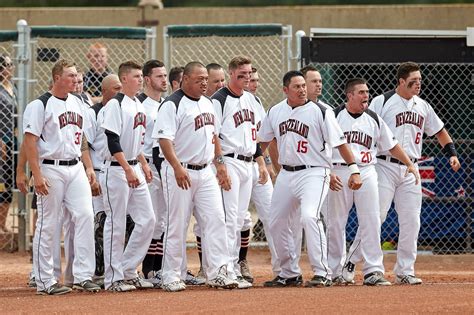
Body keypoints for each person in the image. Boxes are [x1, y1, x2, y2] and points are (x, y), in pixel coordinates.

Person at [343, 62, 461, 285]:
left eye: (420, 80)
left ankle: (405, 270)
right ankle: (351, 260)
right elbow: (362, 123)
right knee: (376, 217)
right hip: (384, 165)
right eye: (413, 81)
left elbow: (439, 131)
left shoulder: (423, 106)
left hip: (411, 167)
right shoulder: (382, 101)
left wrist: (452, 153)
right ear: (401, 81)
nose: (418, 84)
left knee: (411, 220)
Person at [258, 70, 362, 288]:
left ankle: (322, 272)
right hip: (287, 173)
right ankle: (289, 273)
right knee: (275, 220)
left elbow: (340, 143)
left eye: (304, 85)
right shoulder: (275, 111)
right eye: (297, 86)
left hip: (315, 172)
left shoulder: (321, 111)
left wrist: (354, 168)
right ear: (285, 90)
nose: (302, 89)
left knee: (308, 216)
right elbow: (264, 141)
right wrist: (258, 161)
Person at [153, 61, 238, 292]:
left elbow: (214, 137)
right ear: (186, 80)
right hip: (180, 170)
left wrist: (220, 164)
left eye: (205, 79)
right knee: (177, 224)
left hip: (206, 170)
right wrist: (177, 167)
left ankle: (218, 272)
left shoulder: (209, 104)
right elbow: (164, 140)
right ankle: (171, 275)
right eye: (199, 79)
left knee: (216, 220)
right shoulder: (172, 104)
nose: (204, 83)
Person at [327, 78, 419, 286]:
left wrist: (409, 164)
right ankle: (335, 271)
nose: (366, 96)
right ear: (349, 95)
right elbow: (322, 146)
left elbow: (392, 144)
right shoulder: (333, 116)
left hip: (367, 171)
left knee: (371, 221)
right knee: (336, 223)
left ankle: (373, 270)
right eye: (361, 92)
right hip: (339, 170)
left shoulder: (373, 118)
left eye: (367, 92)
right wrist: (328, 172)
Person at [22, 59, 100, 295]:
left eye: (76, 75)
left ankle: (83, 275)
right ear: (57, 78)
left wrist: (88, 167)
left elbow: (82, 139)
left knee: (86, 215)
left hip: (75, 166)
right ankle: (45, 279)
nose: (75, 79)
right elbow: (29, 141)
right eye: (70, 75)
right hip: (50, 167)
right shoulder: (40, 104)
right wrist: (36, 175)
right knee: (49, 223)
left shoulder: (77, 102)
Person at [211, 56, 268, 289]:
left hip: (248, 164)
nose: (245, 78)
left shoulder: (252, 100)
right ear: (231, 73)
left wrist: (261, 162)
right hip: (230, 161)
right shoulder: (219, 99)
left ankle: (233, 268)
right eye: (241, 74)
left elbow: (255, 136)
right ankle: (223, 269)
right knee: (229, 218)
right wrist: (220, 164)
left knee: (239, 218)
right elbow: (213, 136)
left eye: (248, 74)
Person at [98, 61, 155, 292]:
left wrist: (141, 163)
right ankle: (113, 278)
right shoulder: (115, 104)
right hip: (115, 169)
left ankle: (129, 269)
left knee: (148, 219)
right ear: (123, 80)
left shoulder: (138, 105)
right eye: (136, 76)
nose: (141, 79)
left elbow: (135, 142)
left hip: (133, 167)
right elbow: (113, 140)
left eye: (142, 76)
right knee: (117, 222)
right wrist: (128, 168)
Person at [238, 66, 278, 283]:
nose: (254, 83)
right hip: (237, 164)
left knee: (272, 214)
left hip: (257, 164)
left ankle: (282, 270)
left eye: (256, 80)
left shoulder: (257, 102)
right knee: (239, 218)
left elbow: (263, 137)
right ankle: (236, 264)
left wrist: (266, 162)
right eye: (250, 79)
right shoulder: (228, 100)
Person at [83, 73, 122, 287]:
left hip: (121, 172)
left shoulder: (123, 109)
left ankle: (117, 268)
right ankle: (98, 271)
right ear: (105, 91)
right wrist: (90, 172)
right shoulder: (93, 113)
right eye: (116, 88)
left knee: (124, 221)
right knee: (100, 222)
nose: (119, 92)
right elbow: (85, 145)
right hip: (98, 172)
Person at [136, 59, 168, 287]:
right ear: (147, 79)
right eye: (159, 76)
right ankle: (144, 268)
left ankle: (155, 268)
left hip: (164, 165)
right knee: (149, 219)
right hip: (146, 165)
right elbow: (132, 140)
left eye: (165, 76)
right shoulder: (140, 105)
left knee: (163, 221)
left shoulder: (166, 104)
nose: (164, 80)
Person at [0, 54, 17, 233]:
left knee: (9, 181)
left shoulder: (15, 87)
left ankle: (2, 223)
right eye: (7, 64)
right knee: (0, 181)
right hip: (1, 138)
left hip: (12, 138)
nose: (11, 67)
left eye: (11, 64)